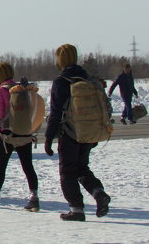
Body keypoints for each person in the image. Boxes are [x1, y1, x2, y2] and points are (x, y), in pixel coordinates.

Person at [44, 43, 112, 221]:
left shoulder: (61, 82)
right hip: (88, 133)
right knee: (81, 168)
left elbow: (56, 113)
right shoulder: (89, 80)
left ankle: (76, 209)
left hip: (70, 134)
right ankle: (98, 193)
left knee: (67, 171)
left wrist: (48, 137)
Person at [0, 63, 40, 211]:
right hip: (24, 133)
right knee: (28, 167)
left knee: (1, 167)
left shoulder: (1, 91)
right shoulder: (22, 89)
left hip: (6, 135)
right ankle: (34, 197)